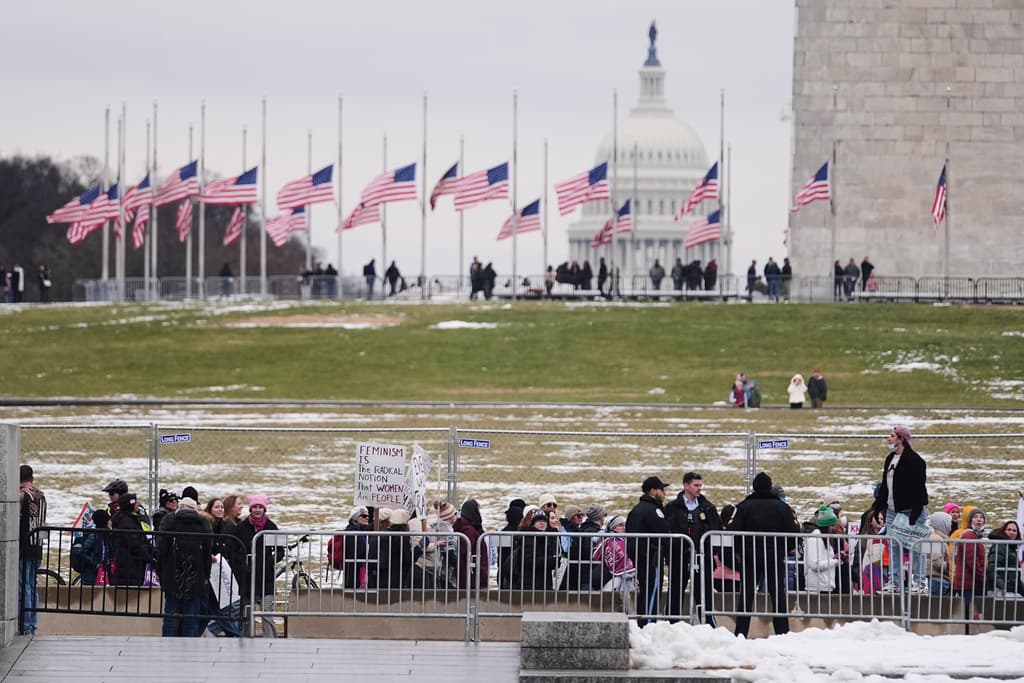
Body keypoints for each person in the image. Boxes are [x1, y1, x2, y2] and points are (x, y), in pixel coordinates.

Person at [730, 471, 801, 638]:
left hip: (749, 556)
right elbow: (794, 532)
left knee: (746, 595)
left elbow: (733, 530)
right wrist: (784, 549)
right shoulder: (782, 507)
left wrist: (739, 549)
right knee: (778, 594)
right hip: (774, 555)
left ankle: (741, 632)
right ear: (770, 486)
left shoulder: (744, 507)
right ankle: (782, 632)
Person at [873, 425, 930, 594]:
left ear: (901, 439)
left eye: (891, 436)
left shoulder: (915, 461)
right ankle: (895, 582)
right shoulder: (890, 458)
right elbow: (886, 485)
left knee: (916, 546)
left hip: (911, 510)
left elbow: (919, 488)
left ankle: (919, 583)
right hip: (892, 510)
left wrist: (916, 511)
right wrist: (878, 506)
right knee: (893, 545)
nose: (888, 439)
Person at [664, 472, 722, 625]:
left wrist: (711, 552)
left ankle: (708, 624)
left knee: (703, 592)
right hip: (678, 557)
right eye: (696, 485)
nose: (699, 488)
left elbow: (716, 531)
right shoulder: (672, 508)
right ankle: (671, 623)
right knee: (675, 591)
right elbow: (666, 531)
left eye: (700, 485)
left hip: (702, 558)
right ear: (686, 486)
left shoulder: (708, 508)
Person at [158, 496, 213, 637]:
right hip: (196, 571)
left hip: (173, 570)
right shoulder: (203, 522)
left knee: (170, 611)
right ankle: (189, 642)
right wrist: (206, 575)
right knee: (191, 613)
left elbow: (162, 547)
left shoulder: (170, 519)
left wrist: (161, 570)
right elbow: (207, 551)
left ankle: (167, 640)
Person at [231, 495, 283, 637]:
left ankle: (271, 640)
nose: (257, 510)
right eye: (255, 507)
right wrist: (244, 563)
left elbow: (280, 551)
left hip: (267, 577)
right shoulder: (241, 527)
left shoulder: (271, 526)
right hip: (247, 577)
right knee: (248, 615)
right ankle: (247, 639)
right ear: (250, 509)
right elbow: (235, 550)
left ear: (264, 509)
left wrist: (272, 560)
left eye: (260, 507)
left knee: (267, 612)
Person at [626, 475, 670, 625]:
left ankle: (643, 622)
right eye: (662, 489)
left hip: (641, 556)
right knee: (652, 592)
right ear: (652, 491)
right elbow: (664, 533)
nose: (664, 493)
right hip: (651, 557)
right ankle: (648, 624)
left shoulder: (638, 509)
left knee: (645, 591)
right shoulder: (652, 510)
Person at [18, 465, 45, 636]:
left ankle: (25, 624)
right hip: (38, 545)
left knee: (23, 585)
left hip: (24, 545)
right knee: (32, 584)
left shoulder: (21, 496)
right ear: (32, 478)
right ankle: (33, 623)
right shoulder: (41, 496)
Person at [111, 492, 155, 586]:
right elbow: (135, 544)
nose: (138, 505)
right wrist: (149, 557)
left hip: (131, 566)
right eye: (135, 503)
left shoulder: (129, 519)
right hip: (130, 566)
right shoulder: (127, 522)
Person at [954, 508, 987, 619]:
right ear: (970, 521)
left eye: (981, 517)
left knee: (973, 613)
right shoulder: (969, 535)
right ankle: (969, 633)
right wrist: (982, 576)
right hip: (968, 582)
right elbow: (971, 560)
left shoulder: (976, 536)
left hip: (972, 581)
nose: (979, 520)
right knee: (970, 613)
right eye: (975, 517)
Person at [593, 515, 636, 598]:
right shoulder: (610, 541)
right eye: (620, 525)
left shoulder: (625, 540)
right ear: (613, 528)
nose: (624, 527)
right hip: (614, 575)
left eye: (624, 525)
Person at [803, 505, 841, 593]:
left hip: (824, 585)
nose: (833, 528)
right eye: (832, 525)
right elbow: (815, 565)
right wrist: (836, 561)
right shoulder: (815, 539)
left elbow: (825, 560)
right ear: (826, 526)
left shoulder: (825, 539)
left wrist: (838, 558)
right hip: (817, 586)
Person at [453, 499, 488, 589]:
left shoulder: (467, 528)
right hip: (473, 574)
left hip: (472, 572)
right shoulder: (469, 530)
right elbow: (466, 551)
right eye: (478, 510)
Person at [986, 520, 1024, 596]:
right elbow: (992, 569)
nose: (1011, 532)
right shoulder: (999, 546)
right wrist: (1003, 588)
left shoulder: (1012, 549)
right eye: (1009, 529)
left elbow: (1015, 577)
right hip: (999, 590)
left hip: (1010, 589)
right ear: (1004, 531)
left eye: (1014, 530)